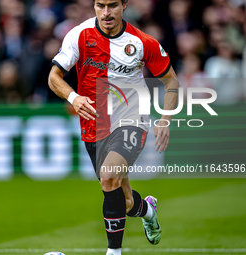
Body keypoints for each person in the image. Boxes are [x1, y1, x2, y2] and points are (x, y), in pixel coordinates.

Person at [48, 1, 179, 254]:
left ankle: (113, 253)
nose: (106, 12)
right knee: (124, 200)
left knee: (109, 177)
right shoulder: (78, 35)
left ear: (124, 5)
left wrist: (165, 119)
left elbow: (171, 80)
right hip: (95, 125)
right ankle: (147, 210)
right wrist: (74, 98)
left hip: (133, 118)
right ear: (94, 6)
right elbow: (54, 77)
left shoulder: (142, 42)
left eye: (112, 5)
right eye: (100, 5)